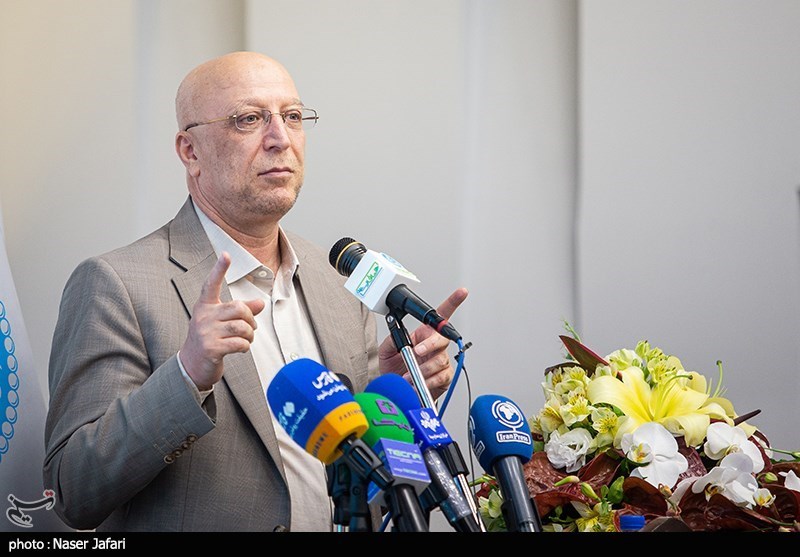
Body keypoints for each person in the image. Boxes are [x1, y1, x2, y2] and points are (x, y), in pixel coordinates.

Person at [42, 51, 468, 532]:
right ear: (190, 151)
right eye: (249, 119)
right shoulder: (116, 284)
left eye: (292, 116)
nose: (280, 138)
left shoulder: (337, 284)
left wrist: (388, 393)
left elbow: (365, 479)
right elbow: (72, 490)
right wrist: (187, 375)